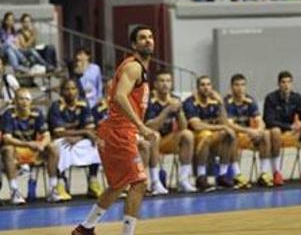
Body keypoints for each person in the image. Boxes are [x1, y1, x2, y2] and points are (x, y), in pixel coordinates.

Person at [72, 26, 158, 235]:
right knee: (139, 183)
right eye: (142, 38)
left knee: (118, 185)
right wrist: (141, 127)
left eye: (150, 37)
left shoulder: (139, 69)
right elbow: (120, 97)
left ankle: (85, 228)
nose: (148, 41)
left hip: (117, 132)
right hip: (119, 132)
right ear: (133, 45)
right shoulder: (134, 67)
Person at [1, 87, 65, 204]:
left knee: (53, 147)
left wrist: (42, 144)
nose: (24, 102)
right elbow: (6, 138)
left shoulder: (37, 113)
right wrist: (28, 144)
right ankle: (14, 191)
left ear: (31, 101)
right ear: (15, 101)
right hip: (17, 150)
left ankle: (52, 189)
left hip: (33, 150)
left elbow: (47, 135)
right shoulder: (9, 114)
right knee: (7, 149)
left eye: (27, 99)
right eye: (21, 99)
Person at [263, 71, 301, 185]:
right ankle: (276, 172)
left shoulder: (297, 97)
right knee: (275, 131)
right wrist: (289, 126)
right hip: (278, 129)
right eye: (283, 82)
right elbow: (268, 121)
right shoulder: (271, 98)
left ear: (292, 84)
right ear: (278, 84)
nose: (286, 85)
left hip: (294, 131)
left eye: (289, 82)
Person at [183, 76, 245, 190]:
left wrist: (221, 103)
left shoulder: (214, 101)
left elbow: (225, 123)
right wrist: (221, 127)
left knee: (229, 133)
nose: (206, 88)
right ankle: (201, 177)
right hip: (195, 140)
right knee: (205, 134)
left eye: (208, 84)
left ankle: (222, 175)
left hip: (212, 138)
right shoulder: (190, 102)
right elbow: (197, 126)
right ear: (197, 87)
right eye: (203, 85)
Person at [48, 79, 103, 200]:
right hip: (62, 139)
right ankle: (61, 183)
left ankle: (93, 181)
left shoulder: (83, 104)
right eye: (67, 89)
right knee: (61, 146)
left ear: (77, 91)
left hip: (79, 139)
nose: (70, 92)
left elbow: (91, 129)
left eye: (73, 89)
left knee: (94, 143)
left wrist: (78, 137)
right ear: (61, 92)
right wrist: (84, 132)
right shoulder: (56, 106)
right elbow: (59, 132)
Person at [144, 70, 196, 193]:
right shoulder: (149, 101)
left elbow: (183, 127)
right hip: (150, 142)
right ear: (155, 84)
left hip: (168, 140)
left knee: (187, 134)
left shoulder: (175, 99)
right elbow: (150, 127)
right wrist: (167, 111)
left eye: (168, 81)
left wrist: (179, 111)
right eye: (162, 81)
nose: (165, 84)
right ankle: (155, 182)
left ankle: (183, 180)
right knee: (154, 135)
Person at [225, 73, 277, 187]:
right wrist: (249, 131)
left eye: (243, 85)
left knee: (266, 134)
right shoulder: (227, 102)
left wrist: (259, 129)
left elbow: (259, 120)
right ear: (231, 87)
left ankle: (264, 173)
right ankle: (237, 175)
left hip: (248, 136)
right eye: (237, 85)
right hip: (234, 136)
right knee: (231, 134)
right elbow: (230, 125)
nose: (240, 88)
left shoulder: (250, 100)